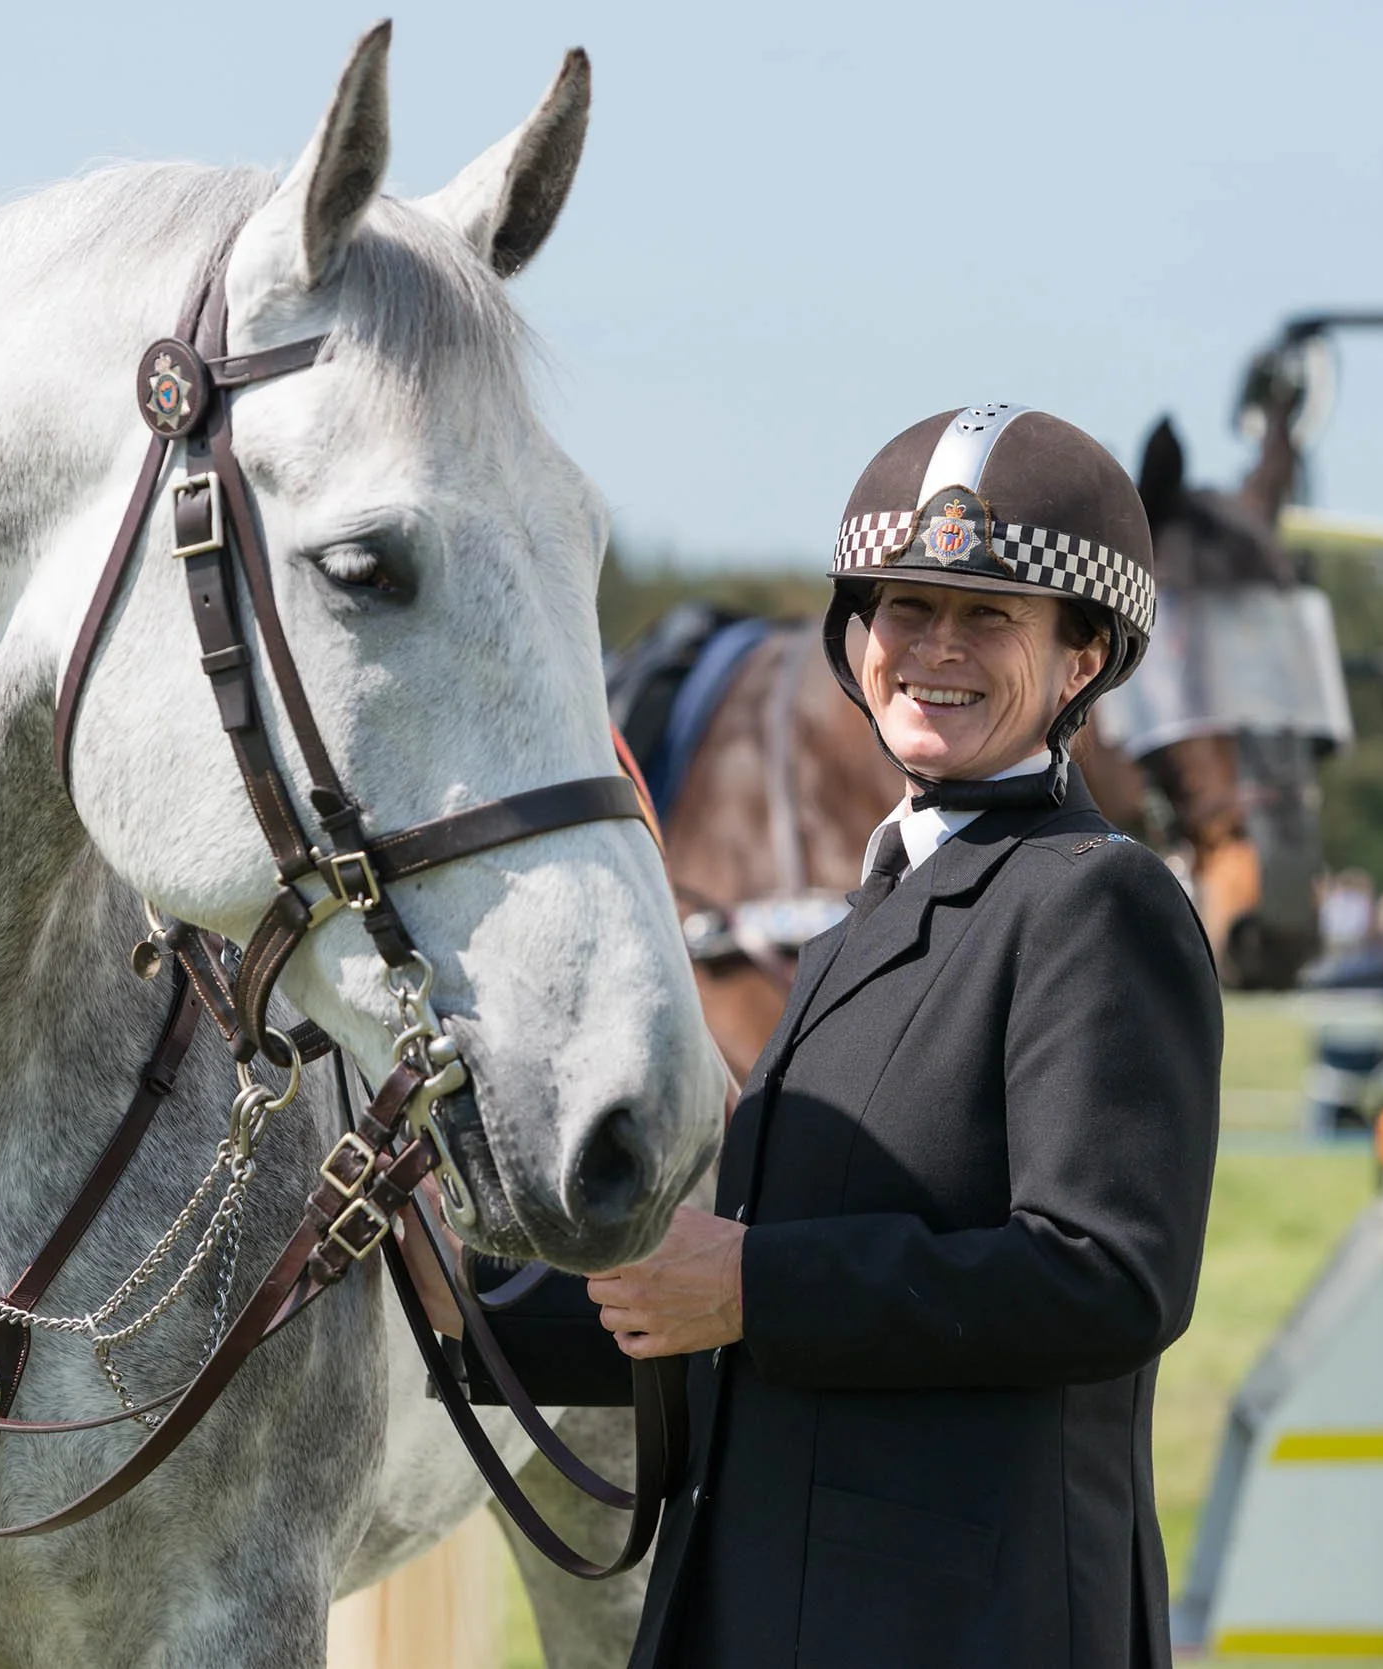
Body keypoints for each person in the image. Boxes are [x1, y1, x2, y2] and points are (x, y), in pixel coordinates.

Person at [423, 405, 1222, 1668]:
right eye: (905, 608)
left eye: (988, 616)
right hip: (772, 1607)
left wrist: (746, 1284)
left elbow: (1105, 1278)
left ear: (1082, 661)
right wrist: (458, 1308)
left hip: (966, 1627)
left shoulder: (1096, 900)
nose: (934, 649)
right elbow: (751, 1301)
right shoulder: (867, 914)